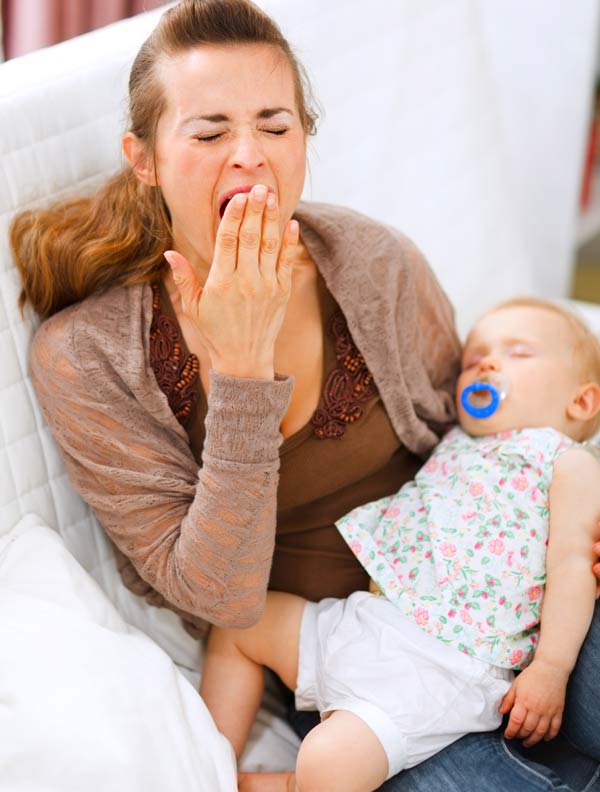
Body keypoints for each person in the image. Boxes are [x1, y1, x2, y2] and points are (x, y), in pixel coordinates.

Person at [8, 0, 600, 789]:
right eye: (210, 132)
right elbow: (217, 596)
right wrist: (244, 375)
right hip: (350, 664)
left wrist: (581, 512)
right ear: (143, 157)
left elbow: (487, 428)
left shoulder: (375, 262)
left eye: (276, 126)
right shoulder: (87, 357)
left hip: (498, 589)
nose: (249, 156)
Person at [201, 298, 600, 792]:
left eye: (518, 353)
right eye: (475, 359)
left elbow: (572, 562)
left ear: (580, 402)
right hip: (366, 619)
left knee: (327, 763)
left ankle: (288, 785)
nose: (487, 364)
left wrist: (552, 668)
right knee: (242, 624)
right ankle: (207, 760)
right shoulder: (454, 437)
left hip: (445, 664)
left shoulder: (567, 463)